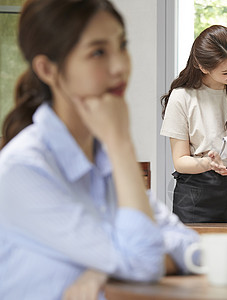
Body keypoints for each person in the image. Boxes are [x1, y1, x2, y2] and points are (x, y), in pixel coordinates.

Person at [0, 0, 198, 299]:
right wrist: (121, 142)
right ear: (47, 69)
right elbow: (144, 261)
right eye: (98, 52)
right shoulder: (23, 169)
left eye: (122, 45)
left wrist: (108, 268)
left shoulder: (101, 156)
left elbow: (191, 247)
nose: (120, 65)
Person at [160, 25, 227, 223]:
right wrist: (208, 163)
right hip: (195, 193)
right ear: (203, 67)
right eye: (226, 71)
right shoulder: (182, 97)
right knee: (195, 254)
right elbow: (180, 161)